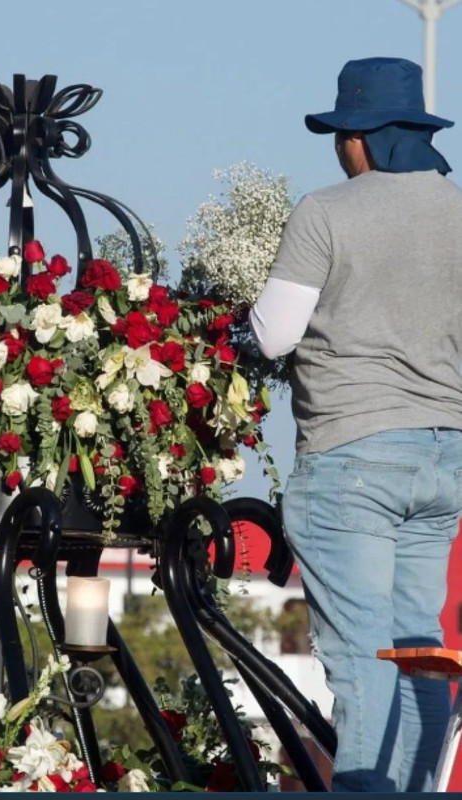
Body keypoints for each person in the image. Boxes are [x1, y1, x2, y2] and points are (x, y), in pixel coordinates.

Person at [249, 57, 462, 792]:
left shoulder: (328, 210)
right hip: (444, 457)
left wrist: (240, 309)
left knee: (365, 654)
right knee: (419, 649)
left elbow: (274, 336)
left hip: (354, 453)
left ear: (360, 138)